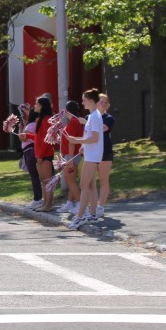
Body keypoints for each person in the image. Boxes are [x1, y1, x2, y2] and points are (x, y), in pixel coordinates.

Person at [66, 89, 104, 229]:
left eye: (84, 100)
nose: (82, 103)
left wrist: (76, 140)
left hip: (93, 156)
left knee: (83, 185)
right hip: (91, 154)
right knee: (91, 185)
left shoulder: (94, 116)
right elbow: (90, 136)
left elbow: (94, 138)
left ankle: (80, 216)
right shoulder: (93, 116)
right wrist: (82, 145)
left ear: (91, 100)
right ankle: (92, 215)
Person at [57, 100, 85, 215]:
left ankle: (80, 205)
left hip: (71, 155)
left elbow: (72, 142)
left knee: (70, 181)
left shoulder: (73, 122)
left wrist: (70, 160)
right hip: (71, 155)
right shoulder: (74, 121)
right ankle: (70, 203)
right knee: (71, 181)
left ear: (67, 110)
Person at [31, 95, 56, 212]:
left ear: (42, 106)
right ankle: (45, 204)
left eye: (37, 104)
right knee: (43, 181)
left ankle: (48, 205)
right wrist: (27, 135)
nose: (34, 106)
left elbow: (47, 140)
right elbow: (38, 138)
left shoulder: (47, 119)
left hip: (45, 155)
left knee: (48, 181)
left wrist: (41, 156)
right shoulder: (40, 119)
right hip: (39, 155)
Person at [15, 103, 42, 208]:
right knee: (36, 175)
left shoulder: (31, 125)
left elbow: (24, 138)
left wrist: (20, 131)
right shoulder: (34, 125)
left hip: (29, 151)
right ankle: (38, 197)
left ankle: (37, 198)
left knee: (34, 175)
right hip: (32, 150)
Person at [95, 94, 115, 219]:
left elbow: (102, 128)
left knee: (103, 180)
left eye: (105, 102)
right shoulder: (89, 117)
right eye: (101, 101)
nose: (103, 104)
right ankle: (90, 206)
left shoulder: (109, 118)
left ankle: (101, 207)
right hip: (92, 153)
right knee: (89, 181)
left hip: (105, 152)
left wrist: (88, 123)